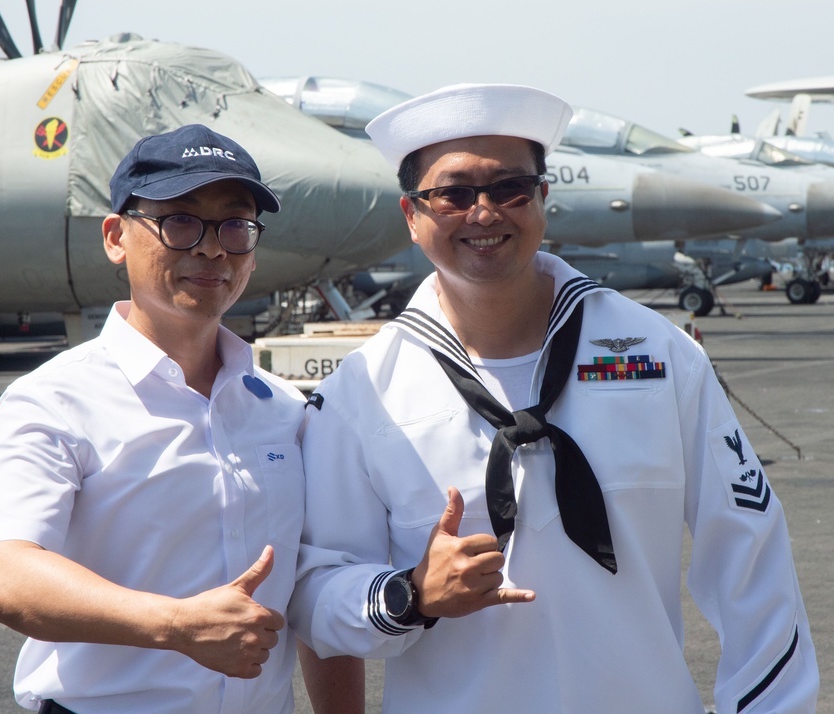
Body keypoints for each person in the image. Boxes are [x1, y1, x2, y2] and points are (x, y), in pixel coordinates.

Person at [289, 84, 819, 712]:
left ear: (543, 199)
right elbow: (314, 593)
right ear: (411, 214)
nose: (484, 214)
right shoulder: (361, 394)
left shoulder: (661, 355)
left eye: (509, 188)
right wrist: (410, 594)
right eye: (454, 195)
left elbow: (752, 554)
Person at [0, 124, 312, 713]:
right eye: (179, 221)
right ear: (115, 237)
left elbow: (313, 592)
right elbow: (6, 578)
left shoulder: (287, 410)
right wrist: (175, 624)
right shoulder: (51, 401)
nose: (211, 249)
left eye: (236, 225)